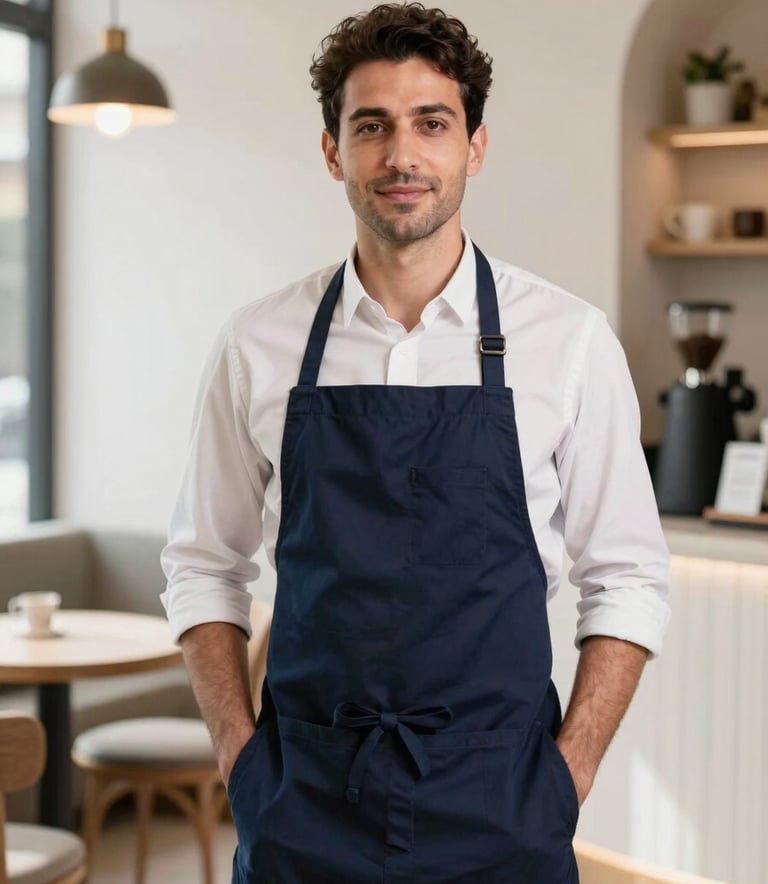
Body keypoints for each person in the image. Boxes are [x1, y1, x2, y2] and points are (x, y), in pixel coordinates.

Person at [161, 4, 670, 882]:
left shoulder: (570, 341)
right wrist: (243, 762)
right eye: (372, 126)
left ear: (474, 146)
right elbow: (203, 564)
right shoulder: (259, 344)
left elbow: (626, 577)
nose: (402, 155)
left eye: (432, 124)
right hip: (305, 805)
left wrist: (566, 774)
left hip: (503, 803)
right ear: (333, 152)